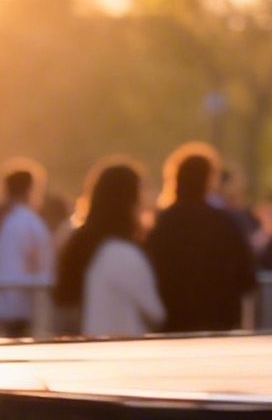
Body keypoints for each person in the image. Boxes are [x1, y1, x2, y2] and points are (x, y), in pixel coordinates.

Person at [143, 143, 255, 333]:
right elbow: (246, 275)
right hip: (219, 321)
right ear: (209, 180)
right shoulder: (224, 223)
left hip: (174, 321)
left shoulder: (163, 223)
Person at [53, 159, 163, 337]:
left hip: (82, 343)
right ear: (131, 198)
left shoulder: (78, 242)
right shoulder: (125, 252)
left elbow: (64, 300)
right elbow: (155, 311)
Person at [0, 162, 54, 337]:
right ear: (31, 189)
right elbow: (39, 262)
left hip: (4, 303)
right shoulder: (29, 221)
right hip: (25, 305)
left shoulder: (1, 220)